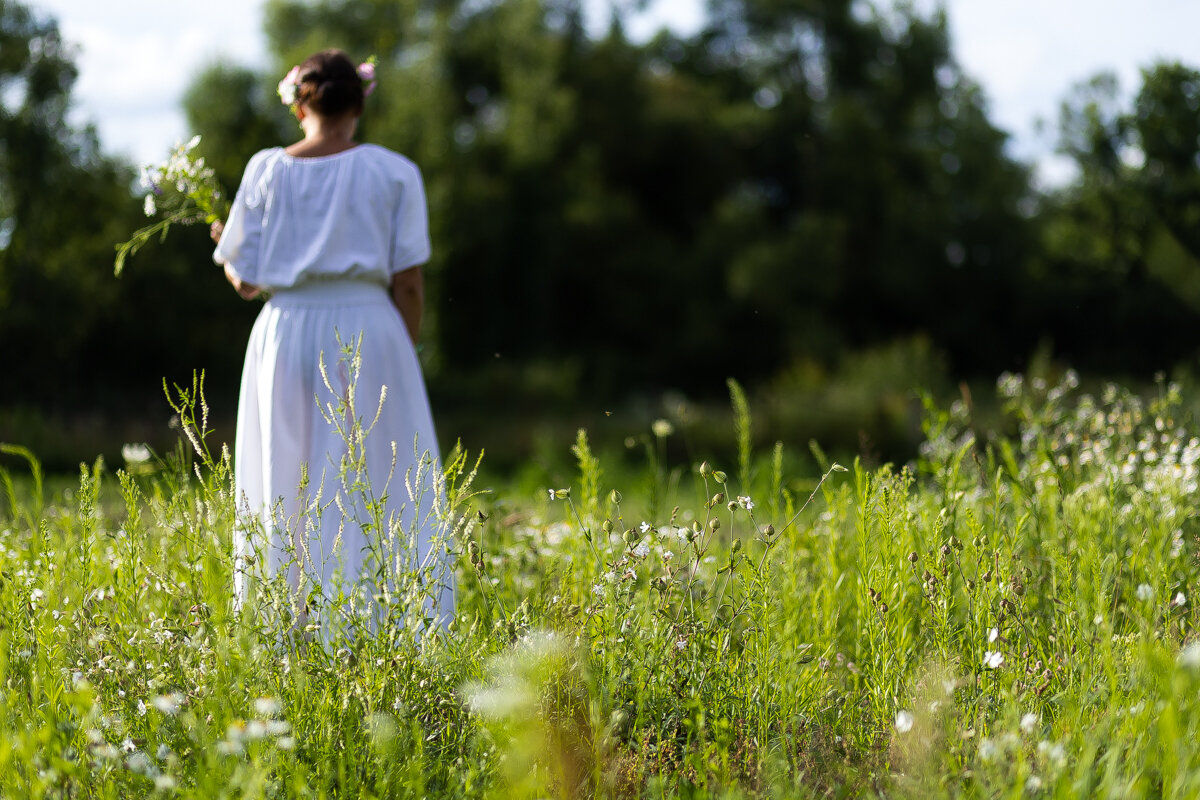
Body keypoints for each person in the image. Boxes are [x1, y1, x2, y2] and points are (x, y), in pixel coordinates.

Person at [211, 49, 453, 633]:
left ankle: (289, 624)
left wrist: (224, 241)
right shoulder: (394, 172)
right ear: (359, 103)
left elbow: (245, 280)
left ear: (300, 105)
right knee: (378, 474)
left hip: (286, 329)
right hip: (371, 328)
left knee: (287, 474)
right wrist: (406, 351)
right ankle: (386, 620)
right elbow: (409, 281)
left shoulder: (266, 169)